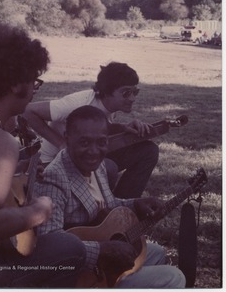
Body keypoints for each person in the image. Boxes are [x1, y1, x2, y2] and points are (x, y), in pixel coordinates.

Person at [0, 23, 86, 288]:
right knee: (69, 248)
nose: (34, 90)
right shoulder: (0, 143)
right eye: (35, 83)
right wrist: (37, 211)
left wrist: (16, 171)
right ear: (16, 84)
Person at [34, 105, 186, 288]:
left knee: (155, 252)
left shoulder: (96, 165)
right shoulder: (54, 178)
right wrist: (101, 250)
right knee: (174, 277)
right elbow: (50, 244)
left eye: (101, 142)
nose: (93, 151)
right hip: (82, 275)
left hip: (105, 262)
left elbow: (106, 205)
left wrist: (136, 204)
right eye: (84, 142)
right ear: (67, 138)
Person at [24, 62, 159, 198]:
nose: (132, 98)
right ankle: (101, 213)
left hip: (82, 155)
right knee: (108, 167)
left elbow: (96, 129)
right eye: (126, 93)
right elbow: (28, 111)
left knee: (148, 151)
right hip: (52, 162)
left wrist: (124, 128)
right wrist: (61, 144)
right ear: (107, 92)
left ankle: (124, 210)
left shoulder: (107, 106)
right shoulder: (78, 103)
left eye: (135, 92)